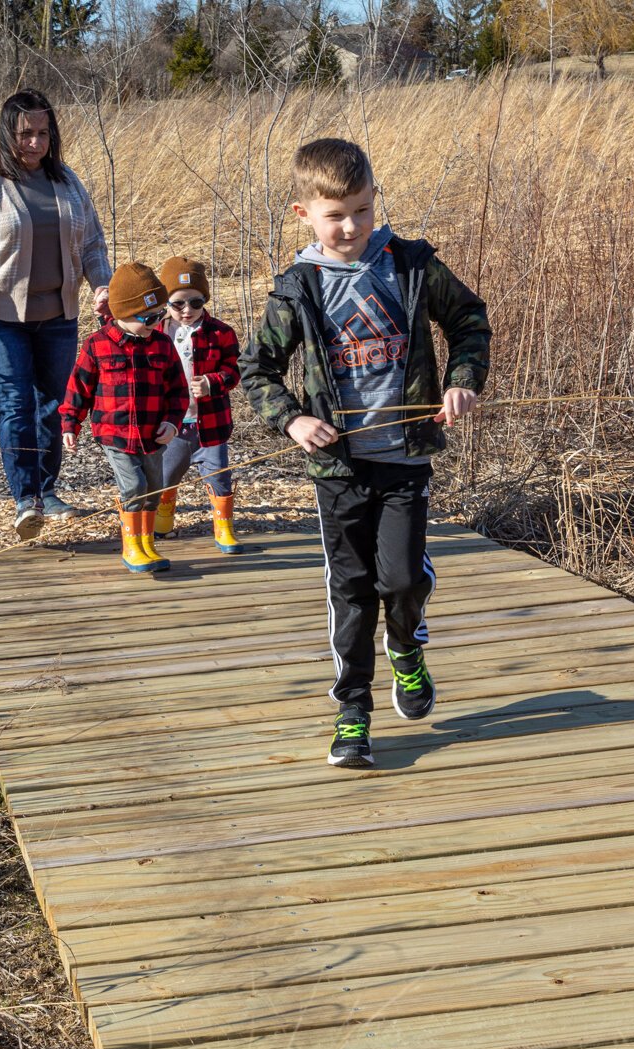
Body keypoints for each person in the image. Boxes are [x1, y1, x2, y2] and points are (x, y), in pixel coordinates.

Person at [239, 138, 491, 769]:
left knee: (401, 579)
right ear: (303, 215)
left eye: (360, 208)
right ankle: (352, 713)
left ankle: (406, 648)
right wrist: (292, 419)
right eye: (334, 215)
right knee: (351, 589)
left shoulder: (409, 265)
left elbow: (468, 320)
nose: (350, 226)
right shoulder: (298, 287)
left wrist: (463, 380)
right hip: (338, 469)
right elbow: (258, 369)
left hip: (405, 457)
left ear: (374, 198)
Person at [0, 89, 113, 542]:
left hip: (58, 313)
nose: (34, 143)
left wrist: (103, 286)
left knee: (55, 404)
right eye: (25, 134)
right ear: (7, 134)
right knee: (16, 403)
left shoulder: (67, 180)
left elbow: (93, 242)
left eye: (42, 133)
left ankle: (48, 490)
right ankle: (25, 499)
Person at [60, 263, 188, 574]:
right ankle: (132, 546)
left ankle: (146, 544)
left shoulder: (162, 345)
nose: (156, 323)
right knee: (134, 486)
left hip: (153, 434)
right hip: (115, 434)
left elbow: (178, 391)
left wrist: (172, 422)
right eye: (149, 318)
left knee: (154, 487)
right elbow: (79, 387)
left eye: (160, 315)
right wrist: (70, 424)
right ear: (122, 313)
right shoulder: (97, 345)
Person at [155, 255, 244, 555]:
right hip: (173, 425)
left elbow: (234, 370)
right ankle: (163, 516)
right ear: (164, 302)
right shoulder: (155, 334)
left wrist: (213, 382)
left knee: (219, 475)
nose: (187, 311)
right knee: (167, 476)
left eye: (195, 302)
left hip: (211, 422)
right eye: (177, 303)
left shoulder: (221, 333)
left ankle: (224, 526)